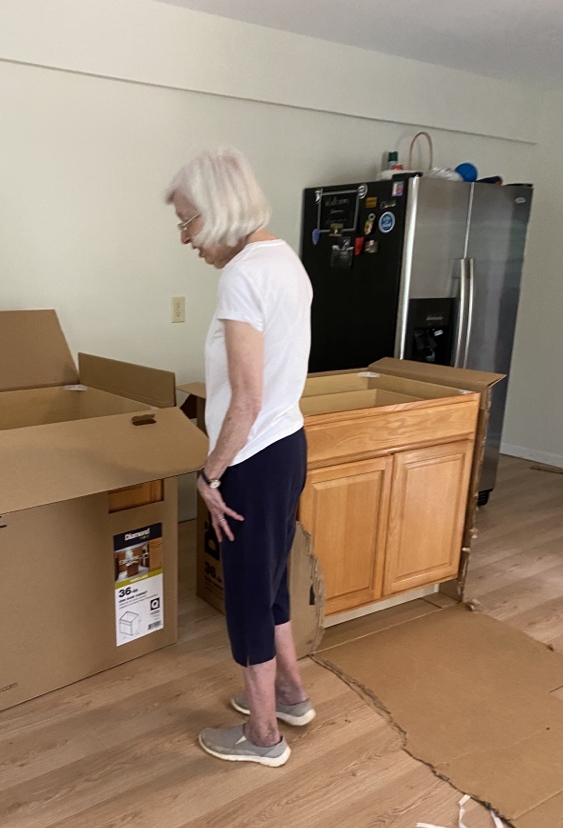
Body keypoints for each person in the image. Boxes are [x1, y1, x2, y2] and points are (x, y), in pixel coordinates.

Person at [165, 146, 316, 768]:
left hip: (252, 458)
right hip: (288, 445)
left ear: (219, 211)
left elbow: (245, 400)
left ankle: (262, 736)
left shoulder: (242, 275)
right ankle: (290, 694)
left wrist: (210, 474)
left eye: (188, 222)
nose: (185, 239)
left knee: (250, 596)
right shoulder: (285, 261)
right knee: (272, 580)